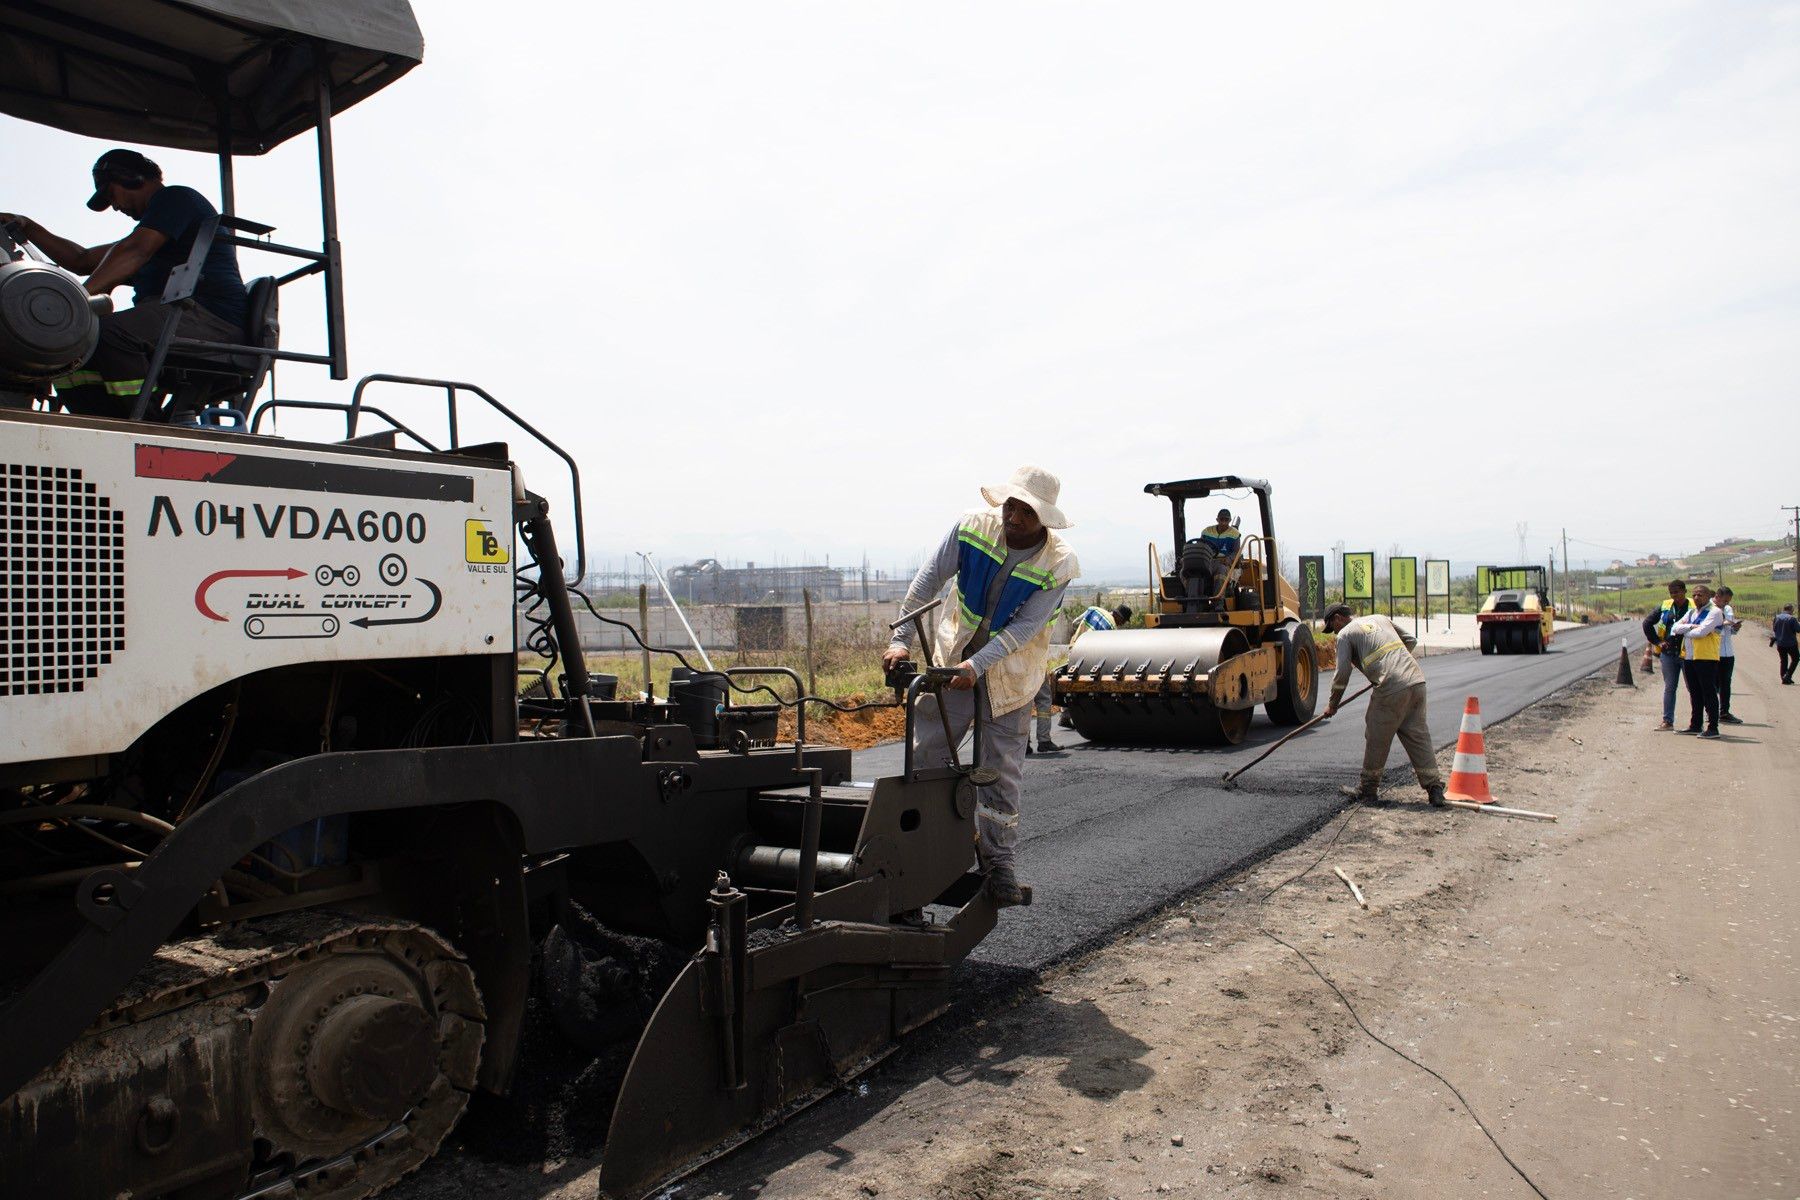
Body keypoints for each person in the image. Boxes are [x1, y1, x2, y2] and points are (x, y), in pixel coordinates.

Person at [883, 466, 1079, 906]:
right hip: (954, 659)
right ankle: (927, 848)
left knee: (999, 773)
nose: (1014, 518)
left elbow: (1026, 627)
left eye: (1026, 513)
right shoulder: (972, 528)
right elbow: (927, 580)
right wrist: (900, 640)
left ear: (1044, 519)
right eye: (1011, 507)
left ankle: (998, 863)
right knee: (928, 754)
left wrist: (978, 664)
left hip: (1012, 672)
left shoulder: (1059, 561)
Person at [1, 148, 247, 420]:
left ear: (132, 177)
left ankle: (146, 422)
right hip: (176, 316)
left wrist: (74, 302)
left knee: (109, 333)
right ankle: (100, 422)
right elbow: (82, 259)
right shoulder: (152, 238)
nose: (116, 207)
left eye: (112, 195)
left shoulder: (176, 199)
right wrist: (28, 227)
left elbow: (134, 250)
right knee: (71, 346)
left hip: (210, 318)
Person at [1321, 603, 1446, 807]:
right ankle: (1435, 788)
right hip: (1416, 680)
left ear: (1337, 618)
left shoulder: (1344, 634)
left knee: (1376, 734)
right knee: (1418, 735)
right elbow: (1410, 640)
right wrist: (1393, 664)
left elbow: (1342, 673)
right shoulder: (1379, 618)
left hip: (1391, 687)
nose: (1334, 632)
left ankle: (1368, 789)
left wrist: (1333, 704)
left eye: (1332, 627)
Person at [1031, 603, 1130, 752]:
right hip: (1090, 657)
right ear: (1119, 618)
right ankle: (1050, 736)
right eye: (1123, 622)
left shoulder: (1093, 610)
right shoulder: (1112, 628)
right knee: (1085, 686)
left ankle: (1063, 716)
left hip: (1074, 650)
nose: (1121, 624)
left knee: (1070, 681)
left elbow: (1075, 622)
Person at [1670, 583, 1724, 739]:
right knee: (1695, 693)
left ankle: (1713, 727)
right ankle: (1695, 724)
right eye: (1694, 595)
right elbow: (1674, 628)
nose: (1696, 597)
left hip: (1706, 657)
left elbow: (1702, 632)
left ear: (1708, 596)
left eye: (1700, 595)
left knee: (1708, 692)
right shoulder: (1692, 612)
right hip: (1689, 656)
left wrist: (1686, 630)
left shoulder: (1715, 612)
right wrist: (1692, 627)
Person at [1642, 580, 1692, 731]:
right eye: (1671, 593)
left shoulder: (1693, 606)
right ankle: (1667, 721)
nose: (1674, 595)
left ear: (1685, 591)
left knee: (1693, 688)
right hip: (1669, 654)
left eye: (1677, 592)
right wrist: (1658, 641)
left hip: (1688, 654)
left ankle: (1696, 722)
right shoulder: (1665, 606)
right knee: (1670, 688)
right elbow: (1647, 623)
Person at [1714, 585, 1744, 724]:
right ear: (1717, 597)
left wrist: (1735, 628)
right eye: (1725, 601)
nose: (1726, 604)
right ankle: (1711, 712)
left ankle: (1724, 712)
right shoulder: (1708, 609)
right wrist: (1722, 624)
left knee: (1726, 684)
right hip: (1713, 653)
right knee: (1713, 684)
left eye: (1728, 601)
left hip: (1728, 653)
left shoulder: (1727, 609)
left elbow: (1729, 632)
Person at [1771, 603, 1799, 685]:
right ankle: (1788, 676)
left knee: (1783, 661)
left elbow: (1774, 629)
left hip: (1780, 643)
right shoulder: (1792, 619)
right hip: (1791, 643)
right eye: (1793, 610)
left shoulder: (1777, 617)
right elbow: (1798, 630)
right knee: (1795, 659)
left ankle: (1784, 678)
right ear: (1791, 610)